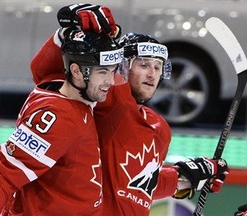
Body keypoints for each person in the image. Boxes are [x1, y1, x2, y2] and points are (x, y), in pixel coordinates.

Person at [30, 4, 229, 215]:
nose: (152, 74)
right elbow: (45, 74)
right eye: (143, 65)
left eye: (158, 67)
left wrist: (186, 179)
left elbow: (137, 186)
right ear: (121, 67)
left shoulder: (160, 129)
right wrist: (64, 36)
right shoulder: (105, 101)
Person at [0, 26, 126, 215]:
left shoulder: (69, 91)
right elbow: (6, 173)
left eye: (113, 71)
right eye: (103, 72)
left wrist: (67, 32)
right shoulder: (57, 118)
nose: (110, 81)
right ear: (77, 71)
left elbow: (42, 66)